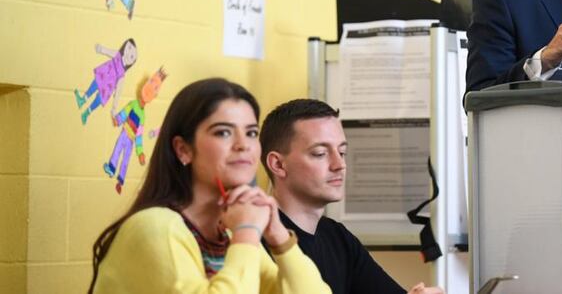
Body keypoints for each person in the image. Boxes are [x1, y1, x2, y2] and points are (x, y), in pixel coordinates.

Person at [89, 78, 331, 294]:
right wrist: (246, 232)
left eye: (251, 133)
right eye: (224, 133)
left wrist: (279, 238)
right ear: (183, 149)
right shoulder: (155, 227)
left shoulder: (229, 233)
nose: (243, 145)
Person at [260, 98, 444, 294]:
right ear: (278, 165)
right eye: (320, 153)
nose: (339, 164)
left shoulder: (338, 237)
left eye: (342, 152)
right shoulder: (255, 241)